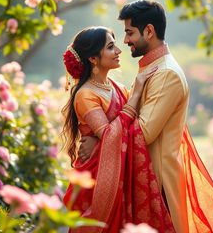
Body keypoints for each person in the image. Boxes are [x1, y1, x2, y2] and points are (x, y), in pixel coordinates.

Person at [79, 0, 213, 233]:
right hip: (143, 179)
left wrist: (100, 141)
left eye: (129, 33)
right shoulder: (151, 68)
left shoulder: (166, 74)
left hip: (159, 185)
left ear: (149, 31)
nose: (125, 42)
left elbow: (142, 133)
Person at [61, 26, 175, 233]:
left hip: (121, 172)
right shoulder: (86, 95)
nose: (119, 51)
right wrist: (137, 91)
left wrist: (99, 141)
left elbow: (128, 126)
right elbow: (108, 134)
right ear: (93, 59)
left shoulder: (116, 87)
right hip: (99, 179)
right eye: (111, 47)